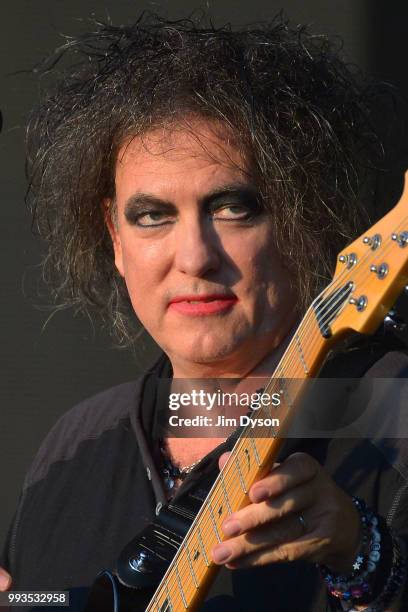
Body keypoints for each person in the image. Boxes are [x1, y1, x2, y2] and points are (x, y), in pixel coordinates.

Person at [1, 13, 408, 611]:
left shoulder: (392, 409)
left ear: (301, 221)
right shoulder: (76, 442)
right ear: (115, 240)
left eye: (233, 207)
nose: (194, 256)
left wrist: (362, 555)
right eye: (152, 215)